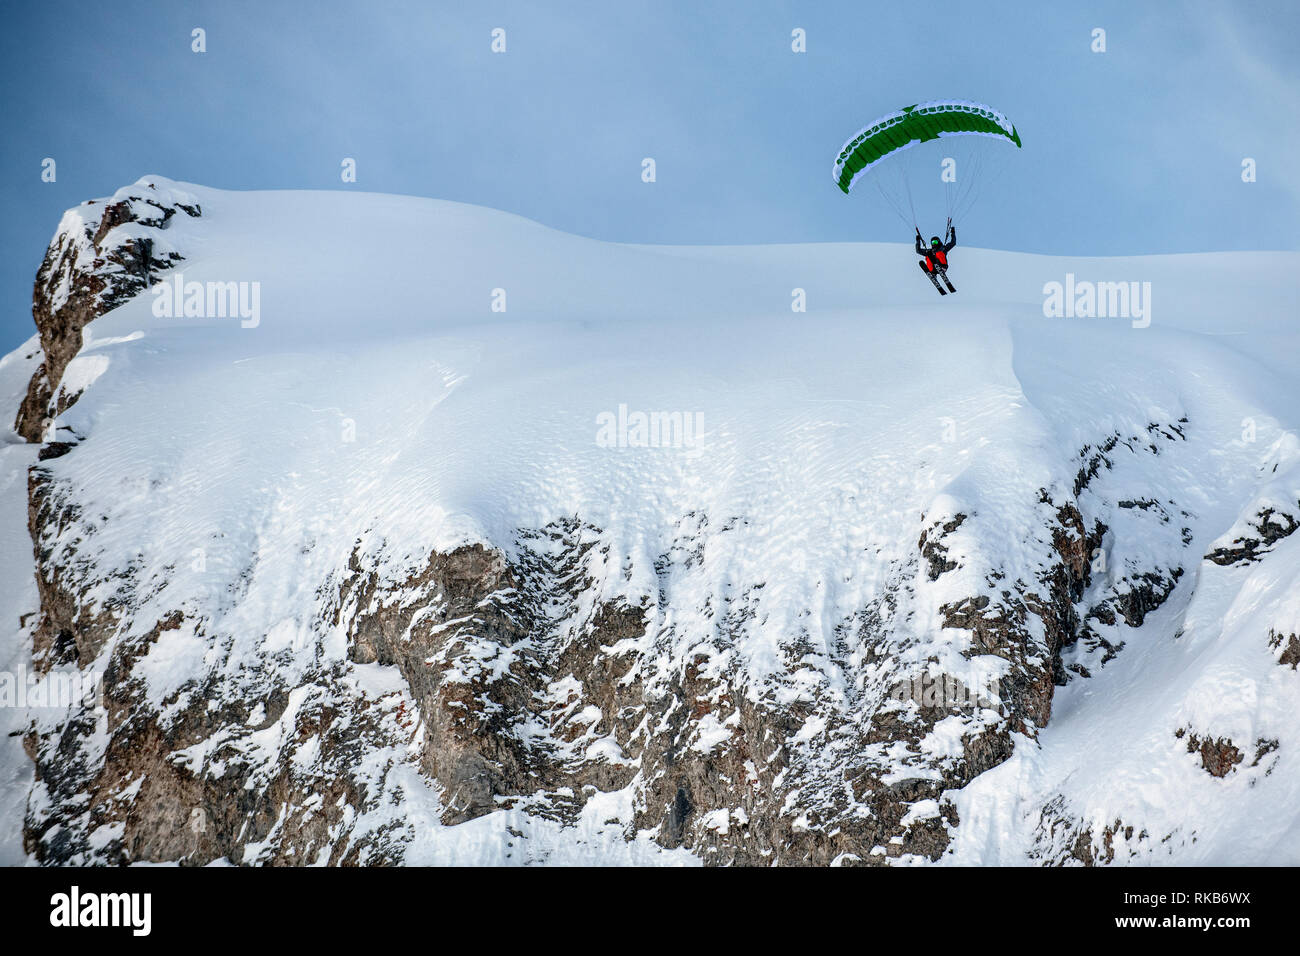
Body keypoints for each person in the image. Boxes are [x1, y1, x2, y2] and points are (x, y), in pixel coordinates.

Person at [916, 219, 956, 293]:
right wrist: (918, 241)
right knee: (928, 255)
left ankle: (942, 268)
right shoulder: (930, 251)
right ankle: (932, 274)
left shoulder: (943, 248)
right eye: (932, 242)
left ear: (939, 242)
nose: (934, 243)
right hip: (934, 268)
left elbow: (953, 243)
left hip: (942, 266)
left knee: (939, 253)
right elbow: (918, 251)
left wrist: (953, 233)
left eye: (935, 242)